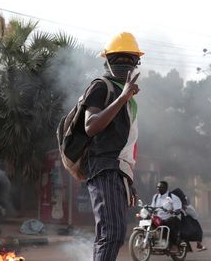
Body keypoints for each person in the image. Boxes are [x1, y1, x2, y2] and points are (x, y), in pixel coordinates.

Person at [83, 32, 143, 261]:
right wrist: (122, 98)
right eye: (119, 59)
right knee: (112, 235)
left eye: (130, 59)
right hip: (105, 168)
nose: (125, 64)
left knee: (115, 235)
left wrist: (129, 179)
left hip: (118, 171)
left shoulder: (127, 97)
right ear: (108, 61)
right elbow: (91, 126)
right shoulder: (101, 86)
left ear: (136, 63)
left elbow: (126, 146)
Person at [151, 181, 182, 251]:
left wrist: (174, 211)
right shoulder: (155, 197)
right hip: (159, 219)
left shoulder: (173, 197)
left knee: (169, 222)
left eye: (161, 187)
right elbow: (152, 207)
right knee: (148, 221)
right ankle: (152, 241)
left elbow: (178, 210)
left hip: (171, 218)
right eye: (158, 187)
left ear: (166, 188)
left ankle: (174, 245)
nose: (159, 189)